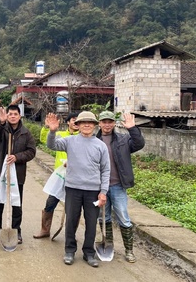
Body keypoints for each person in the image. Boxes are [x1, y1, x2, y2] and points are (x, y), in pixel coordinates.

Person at [46, 111, 110, 268]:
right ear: (78, 125)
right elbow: (51, 145)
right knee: (72, 220)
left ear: (95, 126)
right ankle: (69, 250)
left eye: (90, 122)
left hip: (93, 191)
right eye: (83, 122)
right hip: (73, 189)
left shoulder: (100, 145)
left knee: (91, 222)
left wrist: (103, 192)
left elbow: (106, 170)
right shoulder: (70, 141)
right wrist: (52, 131)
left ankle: (89, 252)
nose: (87, 125)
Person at [96, 111, 145, 263]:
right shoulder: (93, 140)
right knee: (105, 217)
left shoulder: (123, 139)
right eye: (104, 122)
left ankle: (129, 251)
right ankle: (108, 245)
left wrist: (133, 129)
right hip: (99, 187)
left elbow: (139, 144)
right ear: (99, 123)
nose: (107, 125)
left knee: (123, 218)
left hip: (117, 185)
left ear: (114, 123)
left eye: (110, 122)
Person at [0, 105, 36, 244]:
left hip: (17, 173)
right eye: (10, 114)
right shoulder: (4, 129)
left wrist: (17, 157)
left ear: (19, 116)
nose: (12, 116)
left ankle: (16, 229)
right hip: (1, 171)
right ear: (7, 116)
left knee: (16, 203)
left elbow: (31, 152)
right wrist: (1, 123)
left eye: (15, 114)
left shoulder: (26, 133)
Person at [34, 112, 79, 239]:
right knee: (50, 203)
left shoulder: (82, 137)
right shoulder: (61, 135)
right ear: (68, 122)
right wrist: (47, 128)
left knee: (73, 208)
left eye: (78, 121)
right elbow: (44, 140)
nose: (76, 123)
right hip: (60, 177)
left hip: (76, 179)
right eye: (73, 120)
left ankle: (71, 234)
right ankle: (45, 229)